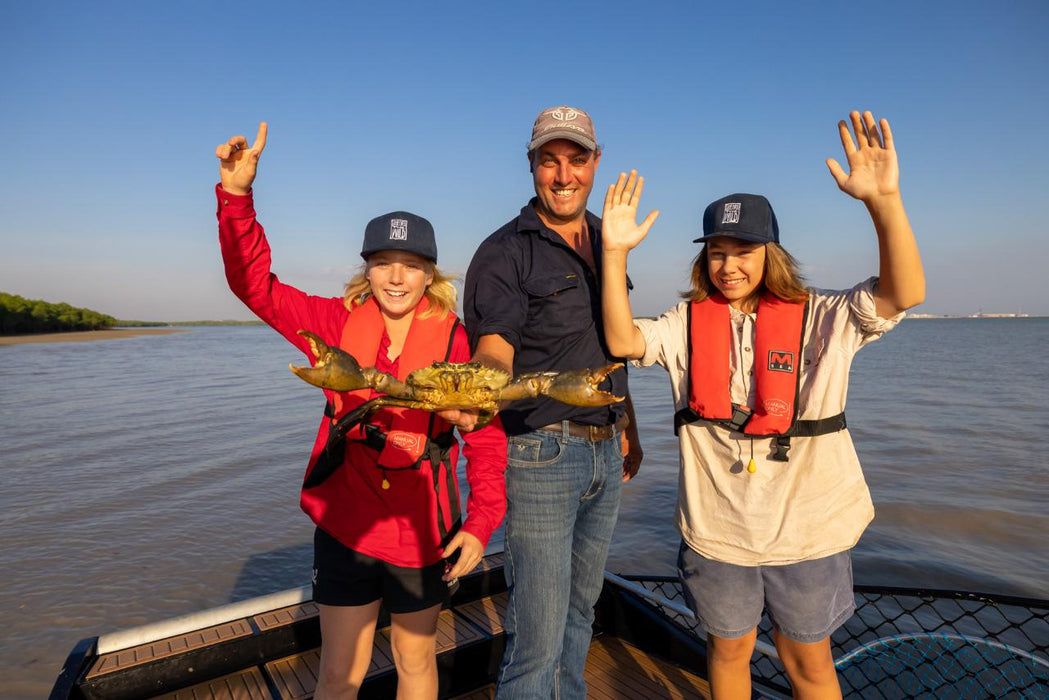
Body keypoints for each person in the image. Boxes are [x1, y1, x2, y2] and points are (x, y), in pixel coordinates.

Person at [600, 111, 924, 699]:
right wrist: (614, 254)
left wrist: (884, 201)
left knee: (809, 665)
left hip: (809, 532)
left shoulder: (824, 317)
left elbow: (904, 293)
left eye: (744, 249)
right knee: (728, 653)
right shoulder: (685, 324)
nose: (729, 265)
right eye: (717, 252)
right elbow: (624, 343)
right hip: (717, 532)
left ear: (771, 252)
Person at [214, 122, 507, 699]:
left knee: (416, 662)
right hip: (346, 523)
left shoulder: (458, 343)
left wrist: (480, 524)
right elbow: (254, 286)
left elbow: (487, 441)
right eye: (383, 263)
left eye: (412, 265)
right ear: (366, 268)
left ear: (431, 274)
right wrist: (236, 196)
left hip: (424, 530)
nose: (397, 277)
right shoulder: (333, 322)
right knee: (338, 674)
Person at [457, 106, 643, 699]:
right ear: (532, 166)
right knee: (536, 639)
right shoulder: (504, 252)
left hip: (605, 449)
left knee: (581, 615)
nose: (564, 176)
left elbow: (613, 342)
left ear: (595, 163)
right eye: (550, 161)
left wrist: (629, 427)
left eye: (577, 159)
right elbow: (495, 347)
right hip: (541, 454)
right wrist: (481, 383)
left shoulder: (606, 239)